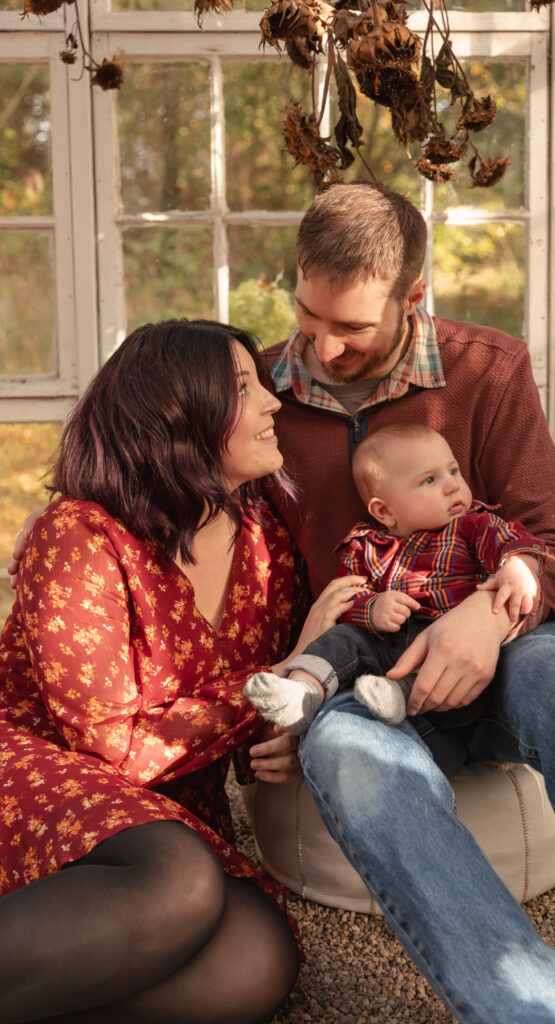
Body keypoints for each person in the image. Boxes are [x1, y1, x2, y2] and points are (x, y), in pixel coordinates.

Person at [257, 182, 555, 1024]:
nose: (323, 349)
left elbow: (554, 544)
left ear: (412, 297)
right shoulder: (264, 395)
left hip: (513, 651)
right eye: (310, 316)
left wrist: (484, 618)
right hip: (367, 671)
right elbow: (251, 571)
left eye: (351, 327)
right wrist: (284, 685)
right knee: (347, 759)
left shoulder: (489, 369)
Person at [0, 318, 365, 1024]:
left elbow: (265, 710)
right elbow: (113, 748)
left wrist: (285, 719)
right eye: (242, 388)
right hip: (31, 771)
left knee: (255, 957)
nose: (271, 404)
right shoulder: (79, 533)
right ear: (176, 412)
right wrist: (275, 678)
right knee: (179, 879)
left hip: (164, 811)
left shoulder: (268, 546)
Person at [245, 421, 546, 734]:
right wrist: (373, 608)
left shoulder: (472, 526)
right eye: (429, 480)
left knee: (438, 658)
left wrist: (518, 566)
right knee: (339, 640)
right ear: (384, 512)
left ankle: (399, 696)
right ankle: (301, 694)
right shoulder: (365, 546)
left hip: (449, 652)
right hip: (383, 648)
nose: (452, 485)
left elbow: (514, 540)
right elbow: (346, 600)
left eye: (453, 471)